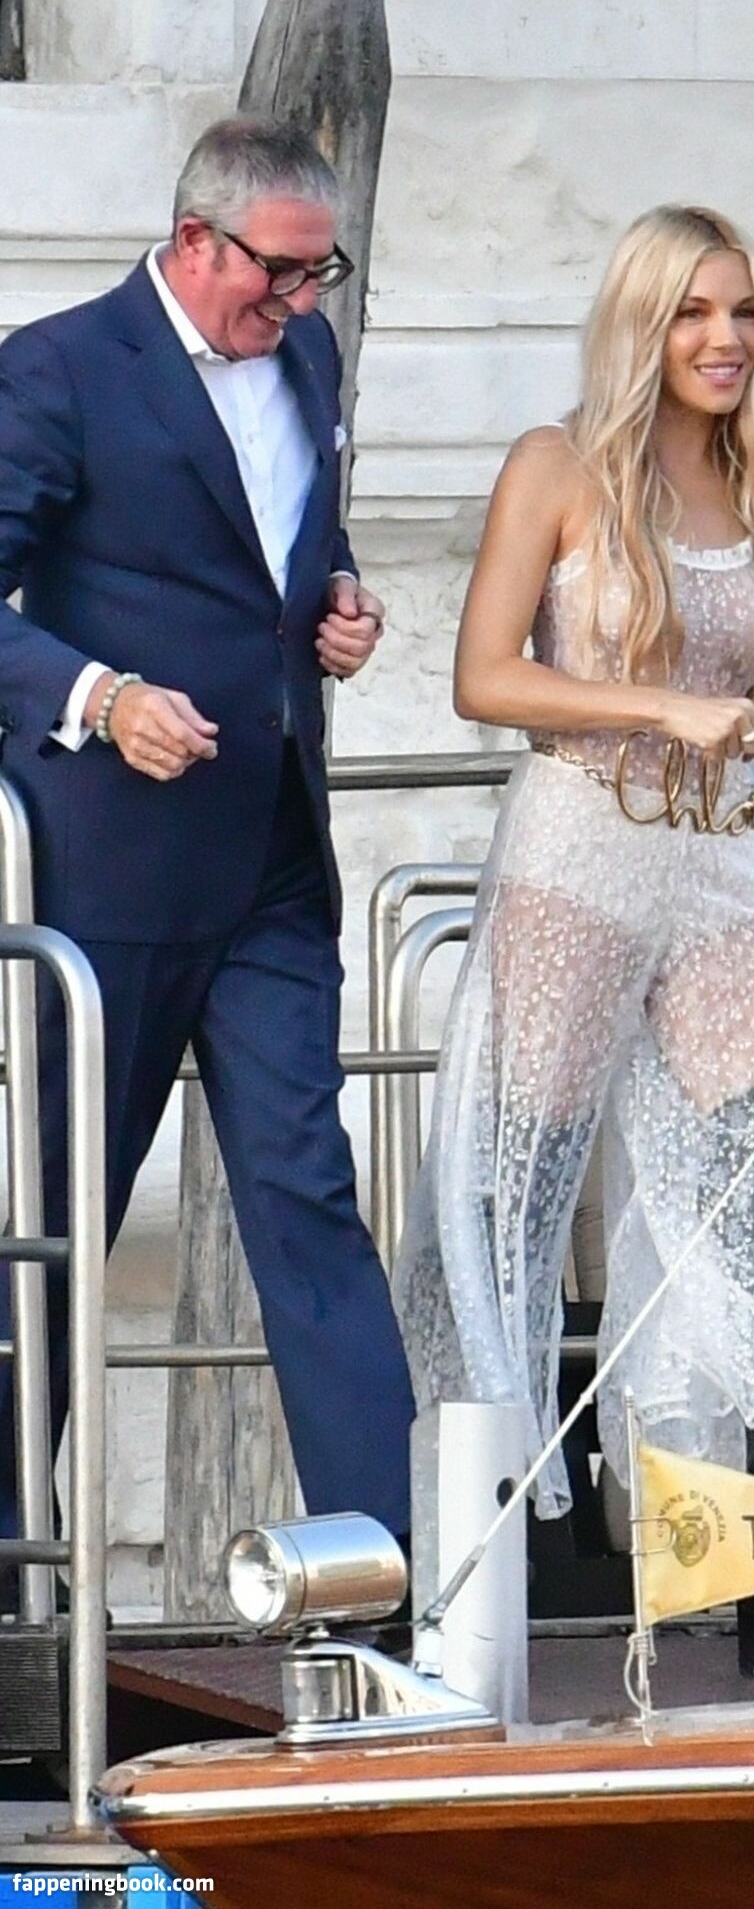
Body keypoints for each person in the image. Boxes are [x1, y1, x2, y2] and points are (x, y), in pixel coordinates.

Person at [393, 205, 754, 1693]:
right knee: (505, 1205)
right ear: (642, 325)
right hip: (580, 864)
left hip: (716, 866)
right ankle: (466, 1573)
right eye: (693, 313)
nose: (726, 339)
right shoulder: (555, 467)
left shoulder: (749, 476)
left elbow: (749, 721)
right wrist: (660, 705)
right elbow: (488, 678)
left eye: (742, 312)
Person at [0, 116, 416, 1608]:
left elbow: (282, 545)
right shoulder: (57, 368)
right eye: (280, 273)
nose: (300, 302)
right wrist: (97, 697)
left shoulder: (305, 357)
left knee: (310, 1197)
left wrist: (339, 601)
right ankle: (11, 1577)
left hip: (272, 867)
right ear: (194, 240)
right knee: (63, 1222)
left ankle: (389, 1575)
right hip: (106, 881)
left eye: (320, 274)